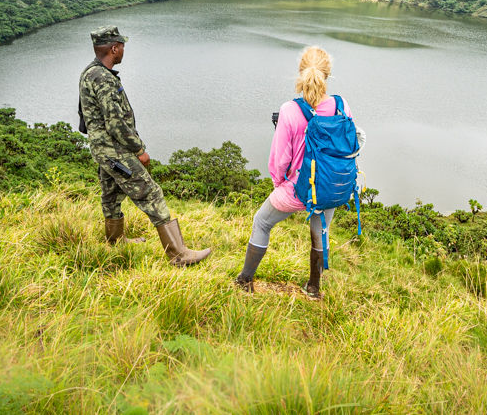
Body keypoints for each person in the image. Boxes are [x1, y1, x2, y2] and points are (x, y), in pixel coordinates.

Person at [235, 45, 363, 298]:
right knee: (319, 232)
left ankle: (245, 280)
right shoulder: (341, 105)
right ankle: (314, 288)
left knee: (262, 222)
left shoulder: (290, 110)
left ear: (300, 73)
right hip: (329, 186)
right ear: (328, 75)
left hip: (296, 189)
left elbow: (279, 160)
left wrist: (279, 183)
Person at [78, 25, 211, 266]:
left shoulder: (90, 72)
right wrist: (139, 150)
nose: (124, 51)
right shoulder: (104, 79)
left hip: (101, 150)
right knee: (151, 193)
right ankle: (178, 254)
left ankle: (115, 241)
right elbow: (116, 123)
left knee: (110, 194)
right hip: (114, 150)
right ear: (114, 48)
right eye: (122, 47)